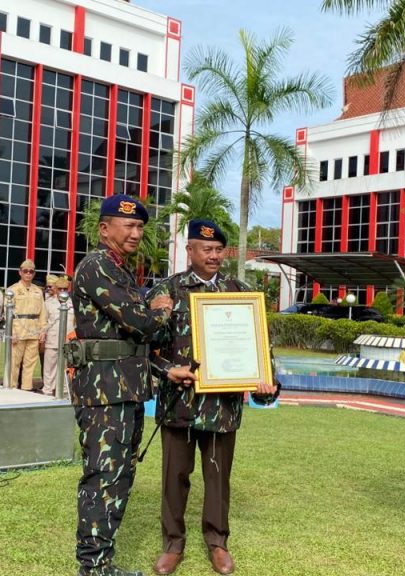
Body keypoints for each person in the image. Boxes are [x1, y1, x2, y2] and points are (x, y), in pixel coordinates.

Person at [147, 220, 279, 576]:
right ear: (189, 250)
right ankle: (173, 544)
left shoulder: (240, 292)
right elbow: (147, 348)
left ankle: (217, 542)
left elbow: (261, 348)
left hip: (222, 407)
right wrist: (167, 369)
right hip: (179, 403)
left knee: (218, 477)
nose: (215, 255)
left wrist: (266, 381)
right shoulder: (167, 290)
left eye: (219, 249)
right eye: (207, 249)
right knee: (175, 476)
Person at [70, 194, 173, 576]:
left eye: (140, 227)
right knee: (103, 477)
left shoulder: (119, 269)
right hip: (104, 392)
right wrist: (160, 309)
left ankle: (101, 563)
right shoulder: (97, 266)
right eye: (128, 225)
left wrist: (164, 371)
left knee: (118, 477)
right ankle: (93, 567)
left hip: (122, 388)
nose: (135, 233)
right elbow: (140, 322)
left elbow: (131, 342)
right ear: (104, 228)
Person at [9, 259, 46, 391]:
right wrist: (11, 332)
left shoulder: (38, 291)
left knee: (30, 364)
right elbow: (7, 313)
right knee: (14, 363)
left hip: (34, 330)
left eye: (31, 271)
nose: (28, 274)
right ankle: (11, 388)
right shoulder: (12, 290)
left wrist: (43, 330)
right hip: (18, 330)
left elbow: (43, 312)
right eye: (25, 271)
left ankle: (26, 389)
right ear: (20, 272)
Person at [42, 275, 73, 396]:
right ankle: (47, 391)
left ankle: (64, 391)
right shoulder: (48, 303)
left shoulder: (73, 303)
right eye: (60, 289)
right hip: (53, 339)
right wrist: (43, 334)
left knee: (65, 368)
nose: (62, 291)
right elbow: (43, 321)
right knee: (49, 369)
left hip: (67, 341)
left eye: (65, 289)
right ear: (55, 289)